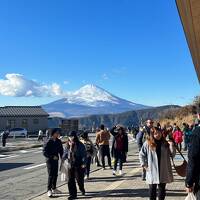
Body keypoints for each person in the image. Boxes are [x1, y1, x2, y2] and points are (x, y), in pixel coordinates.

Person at [139, 127, 176, 200]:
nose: (158, 135)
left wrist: (171, 145)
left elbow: (172, 155)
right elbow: (141, 154)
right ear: (152, 135)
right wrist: (144, 165)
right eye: (155, 133)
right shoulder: (147, 143)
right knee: (152, 190)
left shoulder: (165, 143)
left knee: (162, 191)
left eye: (159, 133)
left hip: (163, 169)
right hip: (152, 169)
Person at [63, 131, 87, 200]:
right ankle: (73, 194)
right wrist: (64, 158)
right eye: (69, 137)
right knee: (70, 180)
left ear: (75, 137)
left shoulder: (80, 145)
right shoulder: (67, 145)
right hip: (70, 164)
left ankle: (81, 188)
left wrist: (84, 163)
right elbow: (64, 154)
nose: (70, 138)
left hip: (78, 164)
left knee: (79, 180)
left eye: (72, 136)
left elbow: (84, 155)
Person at [43, 128, 63, 197]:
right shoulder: (48, 141)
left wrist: (62, 158)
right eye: (56, 133)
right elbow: (44, 152)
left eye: (58, 133)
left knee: (55, 174)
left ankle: (54, 188)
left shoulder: (58, 141)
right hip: (49, 160)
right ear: (53, 133)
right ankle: (49, 190)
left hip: (56, 160)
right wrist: (52, 157)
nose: (58, 134)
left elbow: (61, 151)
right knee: (51, 175)